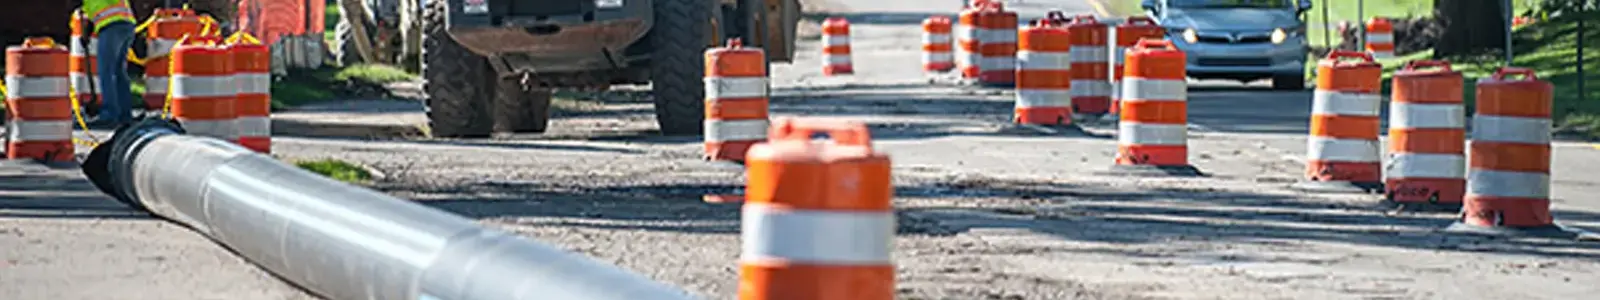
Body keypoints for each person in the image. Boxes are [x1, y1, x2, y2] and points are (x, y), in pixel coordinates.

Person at [82, 0, 137, 127]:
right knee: (119, 72)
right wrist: (87, 33)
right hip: (126, 24)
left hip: (112, 26)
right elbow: (94, 14)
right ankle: (124, 115)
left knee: (106, 71)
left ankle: (109, 114)